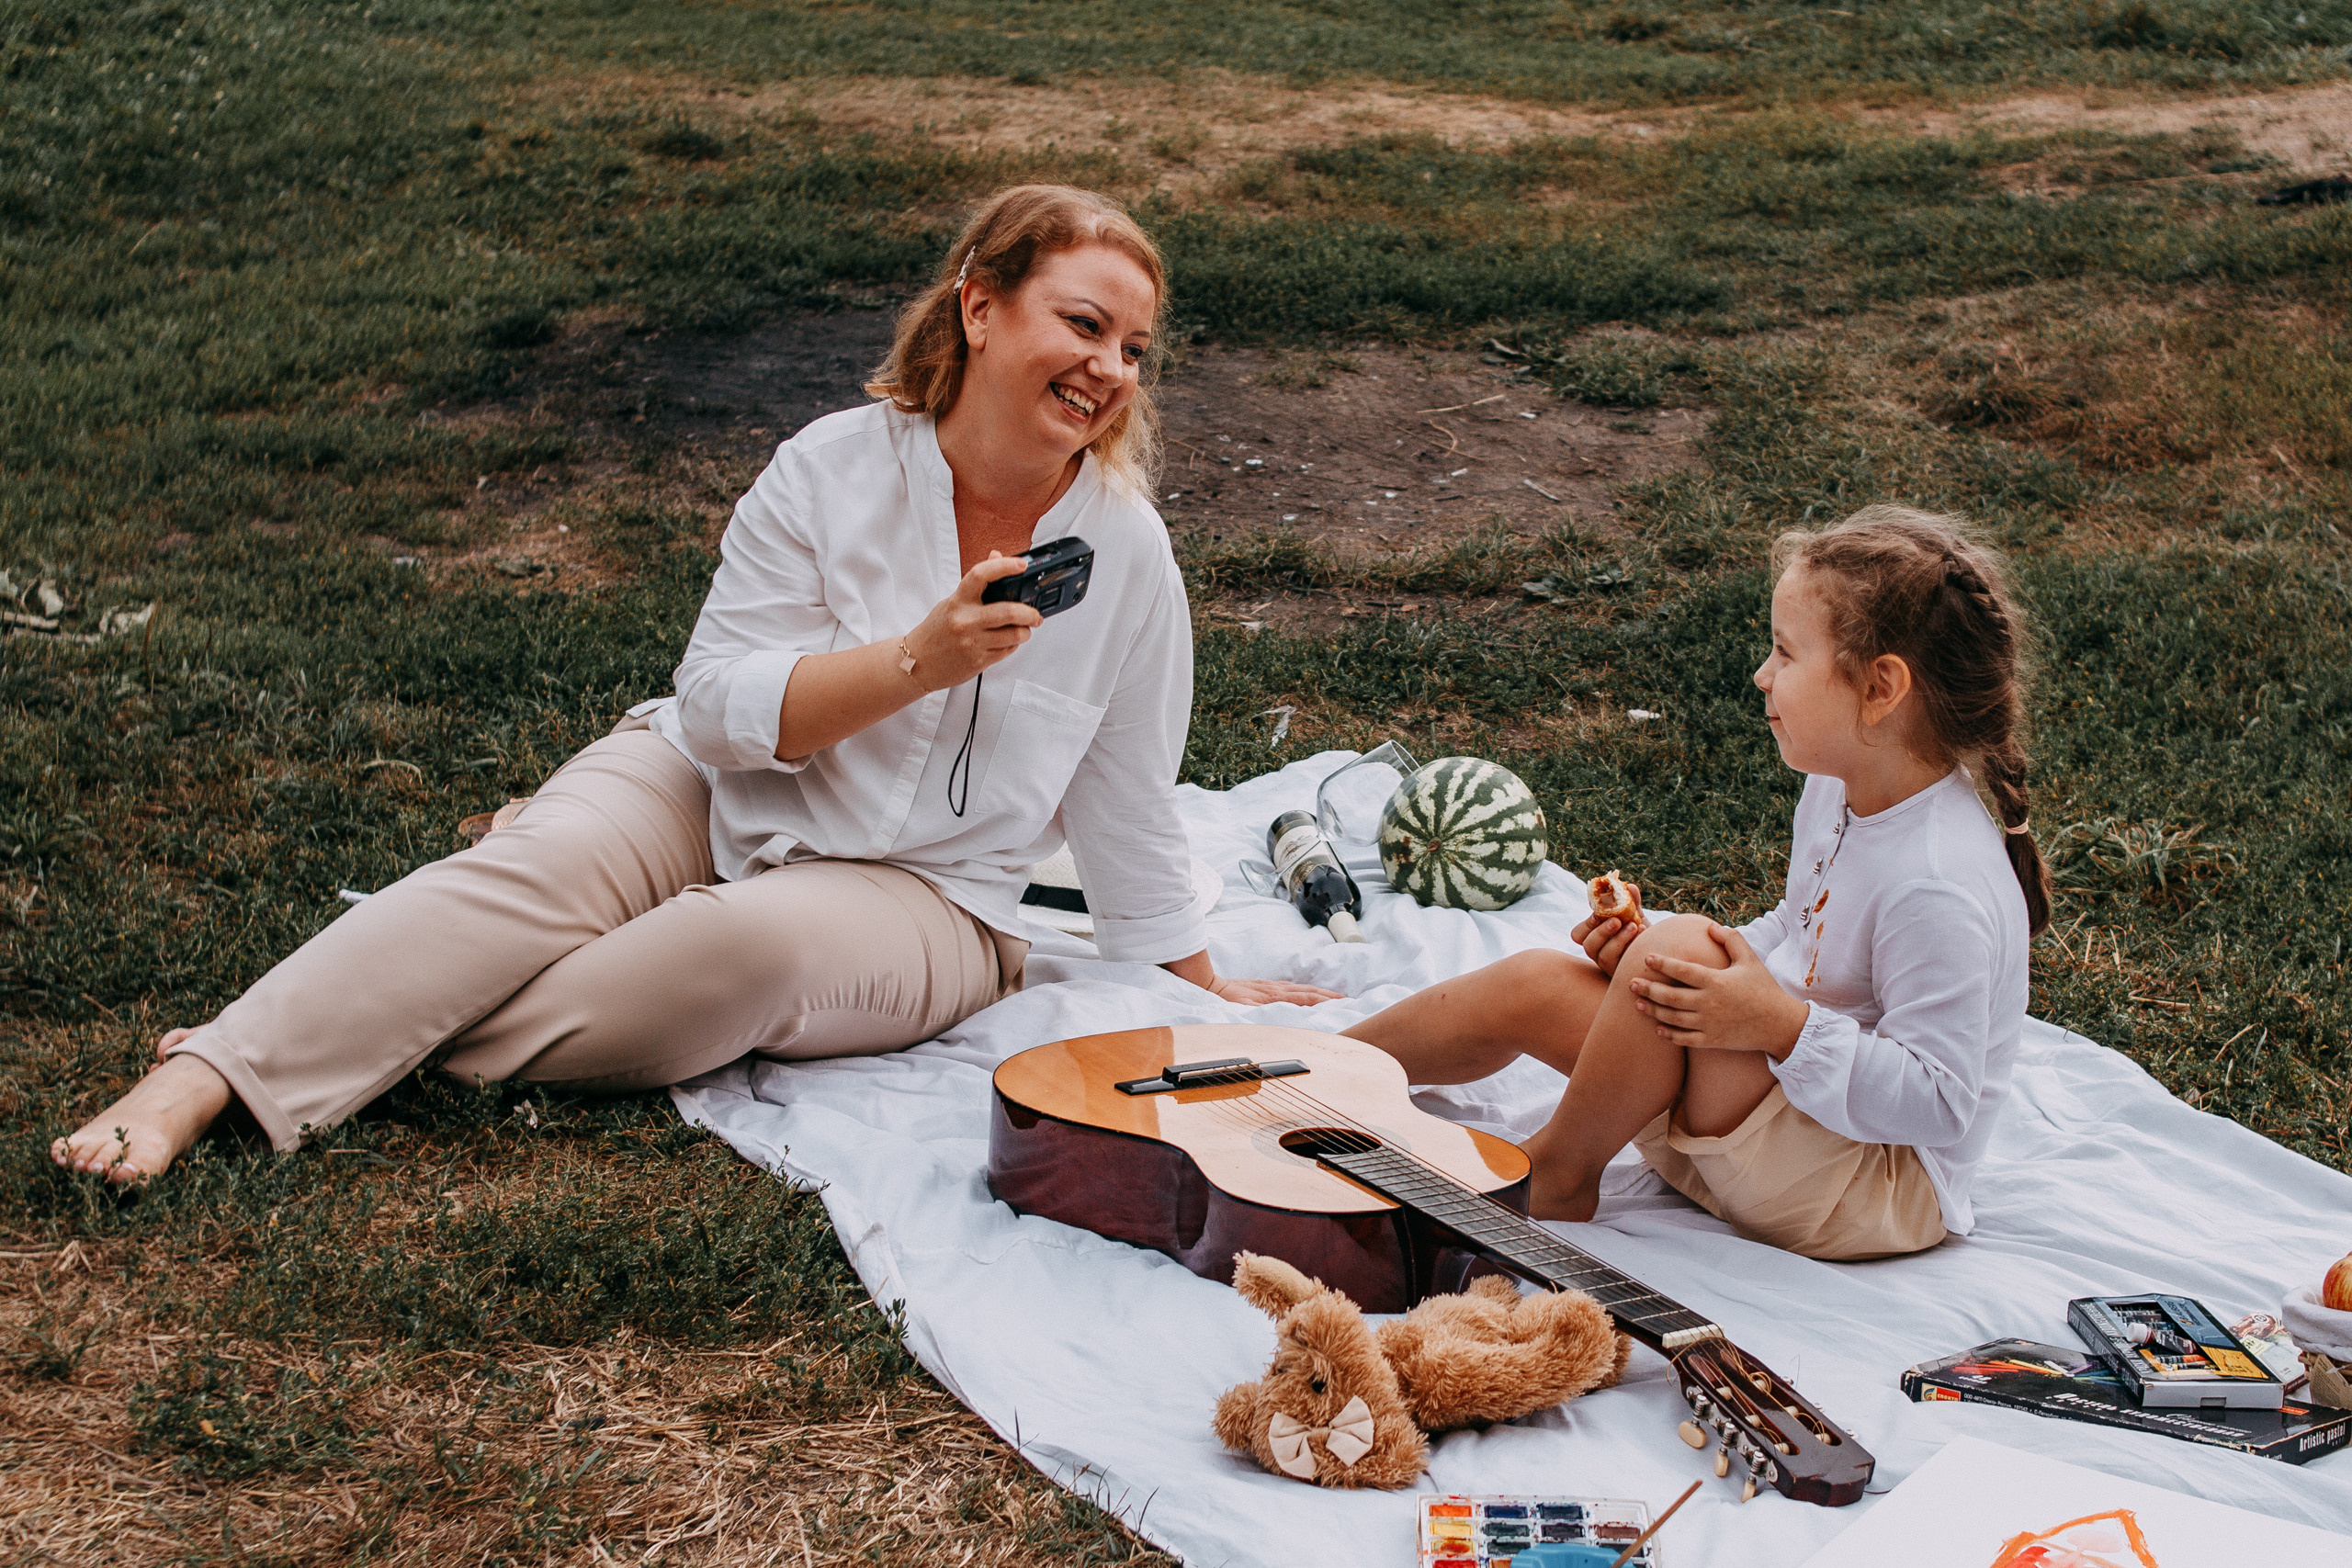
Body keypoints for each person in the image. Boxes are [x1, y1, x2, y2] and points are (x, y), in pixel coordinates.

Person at [55, 184, 1338, 1183]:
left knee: (729, 946)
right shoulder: (826, 470)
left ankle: (382, 1015)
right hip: (709, 775)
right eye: (1083, 323)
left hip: (930, 898)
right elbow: (721, 710)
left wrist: (1194, 976)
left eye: (1132, 345)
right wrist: (919, 660)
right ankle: (212, 1071)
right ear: (980, 306)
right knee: (530, 874)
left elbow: (1124, 790)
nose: (1111, 366)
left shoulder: (1125, 552)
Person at [1345, 506, 2049, 1259]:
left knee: (1677, 950)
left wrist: (1777, 1024)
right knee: (1542, 983)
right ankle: (1318, 1065)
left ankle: (1556, 1173)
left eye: (1784, 653)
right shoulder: (1839, 786)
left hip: (1871, 1188)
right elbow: (1797, 923)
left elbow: (1939, 1101)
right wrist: (1689, 978)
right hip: (1781, 1123)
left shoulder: (1936, 882)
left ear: (1881, 688)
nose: (1762, 675)